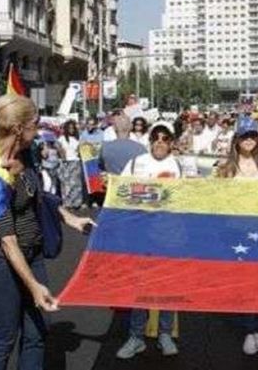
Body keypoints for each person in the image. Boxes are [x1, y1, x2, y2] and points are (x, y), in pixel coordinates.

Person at [0, 94, 95, 370]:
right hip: (0, 262)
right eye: (35, 124)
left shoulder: (25, 152)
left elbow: (38, 196)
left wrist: (71, 219)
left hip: (33, 254)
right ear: (19, 128)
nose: (38, 129)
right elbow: (7, 241)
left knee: (37, 333)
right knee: (2, 339)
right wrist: (34, 286)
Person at [117, 121, 182, 359]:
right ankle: (136, 337)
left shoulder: (179, 166)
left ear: (171, 143)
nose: (160, 142)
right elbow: (121, 193)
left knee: (166, 286)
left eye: (165, 138)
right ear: (150, 140)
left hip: (169, 235)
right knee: (140, 286)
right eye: (156, 137)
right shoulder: (136, 163)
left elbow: (185, 199)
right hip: (141, 235)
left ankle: (165, 334)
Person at [218, 116, 258, 355]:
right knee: (243, 282)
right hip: (236, 230)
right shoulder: (227, 167)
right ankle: (249, 330)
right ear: (236, 139)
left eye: (253, 136)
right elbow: (217, 199)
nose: (249, 140)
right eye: (244, 136)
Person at [56, 121, 83, 209]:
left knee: (76, 184)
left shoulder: (77, 139)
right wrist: (63, 156)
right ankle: (67, 203)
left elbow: (79, 151)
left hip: (75, 162)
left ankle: (76, 203)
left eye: (73, 128)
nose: (71, 130)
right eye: (69, 128)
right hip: (66, 162)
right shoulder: (61, 138)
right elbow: (59, 149)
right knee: (66, 184)